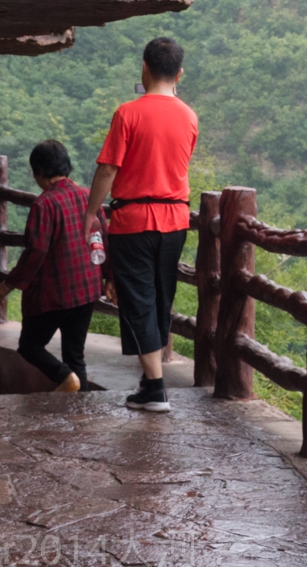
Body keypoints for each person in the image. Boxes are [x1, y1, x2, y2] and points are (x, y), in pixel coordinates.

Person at [83, 37, 196, 413]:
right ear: (179, 74)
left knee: (139, 300)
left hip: (133, 221)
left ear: (143, 67)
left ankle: (156, 388)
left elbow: (108, 169)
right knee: (161, 297)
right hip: (176, 220)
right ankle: (150, 382)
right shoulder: (189, 116)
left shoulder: (128, 113)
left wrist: (90, 213)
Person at [0, 140, 102, 393]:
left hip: (55, 292)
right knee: (76, 355)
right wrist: (107, 277)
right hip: (87, 288)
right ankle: (79, 416)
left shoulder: (45, 204)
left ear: (40, 172)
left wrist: (8, 285)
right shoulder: (88, 196)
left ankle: (65, 377)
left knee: (30, 346)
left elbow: (37, 251)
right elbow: (100, 239)